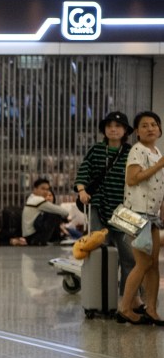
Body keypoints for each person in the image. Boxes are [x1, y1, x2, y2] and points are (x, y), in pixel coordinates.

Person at [75, 112, 135, 299]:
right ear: (104, 130)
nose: (113, 129)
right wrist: (82, 190)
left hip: (125, 210)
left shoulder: (131, 152)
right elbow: (84, 169)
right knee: (99, 252)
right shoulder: (96, 150)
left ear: (125, 130)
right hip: (99, 206)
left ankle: (127, 297)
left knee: (129, 256)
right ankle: (100, 297)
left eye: (118, 126)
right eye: (109, 126)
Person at [116, 111, 164, 325]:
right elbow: (132, 179)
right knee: (143, 263)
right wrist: (159, 165)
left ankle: (151, 310)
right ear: (136, 131)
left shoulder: (156, 151)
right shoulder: (138, 150)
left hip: (151, 215)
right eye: (144, 125)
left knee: (153, 264)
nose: (150, 128)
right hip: (135, 214)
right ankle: (125, 308)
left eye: (154, 124)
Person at [22, 178, 70, 245]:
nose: (45, 191)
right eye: (42, 189)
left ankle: (57, 238)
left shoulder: (31, 198)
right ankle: (56, 239)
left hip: (29, 236)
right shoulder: (38, 200)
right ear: (35, 189)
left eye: (47, 189)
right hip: (34, 237)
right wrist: (65, 217)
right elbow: (64, 212)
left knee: (52, 213)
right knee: (54, 214)